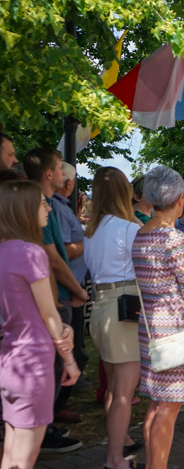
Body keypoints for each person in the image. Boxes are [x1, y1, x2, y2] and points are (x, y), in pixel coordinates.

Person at [132, 166, 184, 469]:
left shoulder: (141, 233)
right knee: (168, 407)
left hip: (151, 329)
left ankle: (153, 463)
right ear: (180, 199)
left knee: (156, 405)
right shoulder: (173, 238)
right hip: (174, 333)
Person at [0, 181, 81, 469]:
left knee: (12, 449)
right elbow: (49, 314)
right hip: (33, 364)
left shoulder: (5, 251)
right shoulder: (30, 253)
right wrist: (69, 360)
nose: (48, 207)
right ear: (23, 210)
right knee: (23, 457)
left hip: (11, 361)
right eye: (41, 203)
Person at [22, 149, 88, 434]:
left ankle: (44, 423)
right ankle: (42, 429)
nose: (64, 173)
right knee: (53, 364)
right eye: (60, 168)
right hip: (54, 294)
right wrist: (78, 290)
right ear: (49, 174)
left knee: (55, 363)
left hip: (58, 292)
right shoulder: (39, 206)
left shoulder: (44, 203)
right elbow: (53, 257)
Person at [83, 167, 142, 469]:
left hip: (102, 309)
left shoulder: (92, 233)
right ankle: (115, 458)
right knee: (123, 392)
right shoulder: (128, 229)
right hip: (123, 309)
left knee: (114, 389)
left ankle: (116, 450)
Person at [53, 162, 89, 378]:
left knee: (74, 348)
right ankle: (56, 406)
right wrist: (89, 243)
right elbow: (62, 252)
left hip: (70, 289)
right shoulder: (57, 209)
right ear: (69, 183)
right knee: (67, 351)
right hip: (66, 290)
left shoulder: (59, 207)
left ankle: (59, 405)